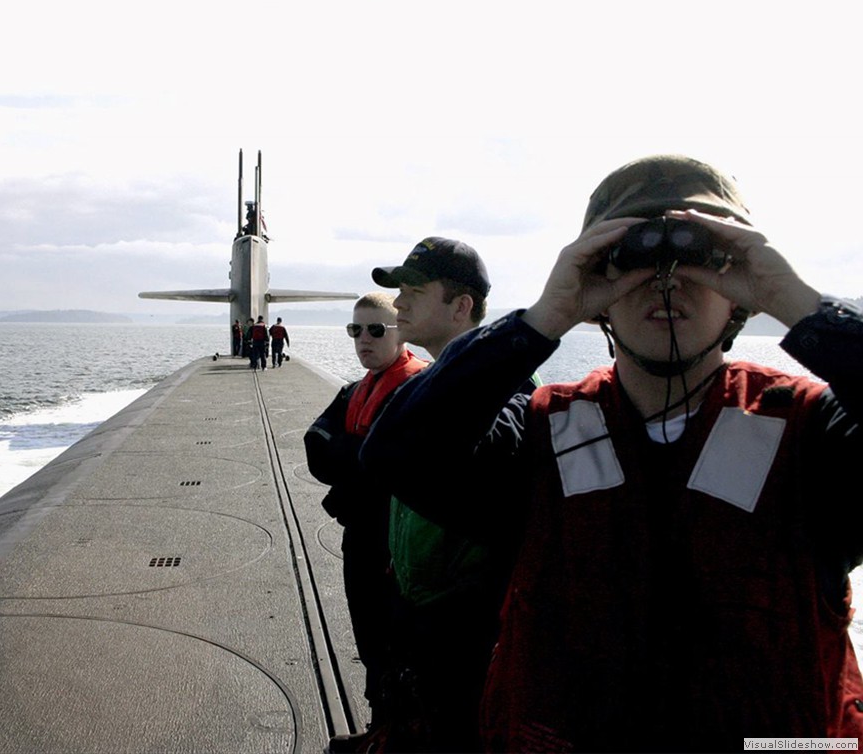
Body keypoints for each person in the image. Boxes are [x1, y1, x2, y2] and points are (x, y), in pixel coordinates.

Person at [361, 155, 863, 752]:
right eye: (636, 257)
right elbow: (397, 455)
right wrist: (544, 319)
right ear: (597, 289)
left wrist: (800, 303)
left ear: (739, 294)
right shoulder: (542, 432)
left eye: (700, 257)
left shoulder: (811, 434)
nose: (667, 278)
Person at [367, 237, 539, 752]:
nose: (398, 304)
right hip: (413, 618)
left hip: (462, 635)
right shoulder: (426, 386)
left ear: (461, 306)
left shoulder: (514, 396)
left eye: (414, 291)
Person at [304, 293, 428, 752]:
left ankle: (398, 733)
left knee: (397, 647)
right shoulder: (356, 390)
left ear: (402, 332)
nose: (364, 340)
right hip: (361, 536)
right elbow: (315, 447)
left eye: (377, 330)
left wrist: (353, 456)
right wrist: (361, 457)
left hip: (395, 546)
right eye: (356, 330)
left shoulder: (414, 387)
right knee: (370, 640)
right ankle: (381, 728)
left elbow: (385, 464)